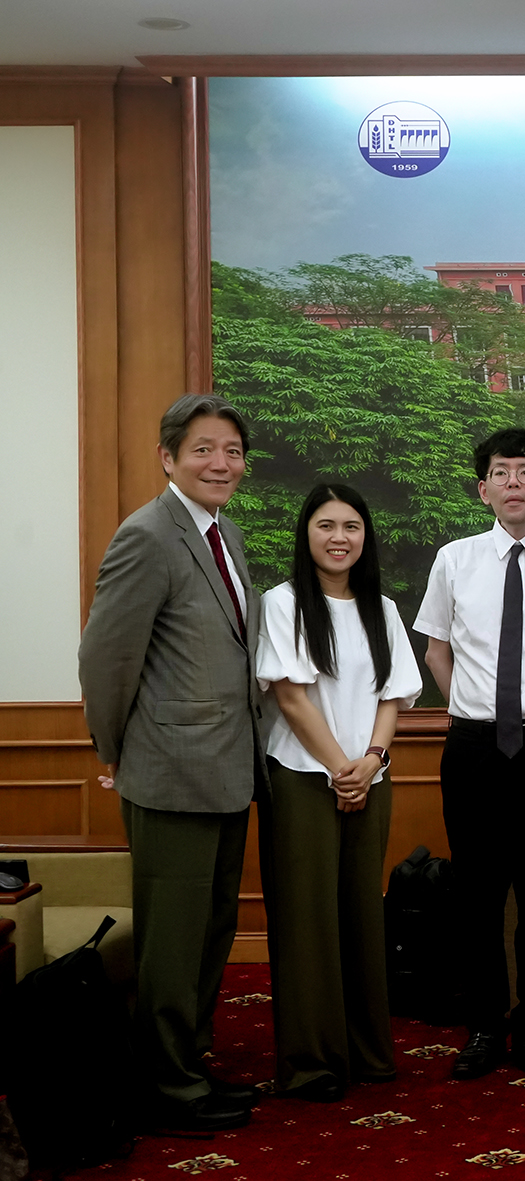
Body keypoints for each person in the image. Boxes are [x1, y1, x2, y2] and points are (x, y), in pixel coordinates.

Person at [77, 394, 266, 1131]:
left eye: (232, 451)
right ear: (168, 457)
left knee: (211, 929)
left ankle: (189, 1059)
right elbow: (105, 658)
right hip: (168, 772)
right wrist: (117, 751)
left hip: (225, 768)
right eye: (203, 449)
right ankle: (166, 1087)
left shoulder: (225, 532)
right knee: (173, 937)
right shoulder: (147, 534)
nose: (221, 463)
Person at [414, 428, 525, 1080]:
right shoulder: (454, 559)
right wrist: (471, 707)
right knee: (477, 895)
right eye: (501, 472)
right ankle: (484, 1025)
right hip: (474, 746)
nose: (514, 482)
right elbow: (437, 650)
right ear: (483, 488)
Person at [256, 484, 422, 1101]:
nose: (339, 538)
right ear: (306, 533)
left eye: (351, 526)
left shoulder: (382, 607)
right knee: (308, 920)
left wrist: (370, 761)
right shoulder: (282, 603)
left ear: (365, 536)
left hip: (369, 777)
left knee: (361, 914)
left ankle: (367, 1053)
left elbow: (392, 696)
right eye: (326, 525)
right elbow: (291, 697)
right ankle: (312, 1063)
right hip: (302, 778)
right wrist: (338, 769)